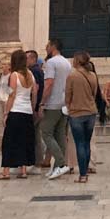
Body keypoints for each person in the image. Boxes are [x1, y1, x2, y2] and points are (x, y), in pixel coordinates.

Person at [0, 49, 37, 179]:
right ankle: (23, 169)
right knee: (23, 140)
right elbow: (34, 92)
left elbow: (11, 94)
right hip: (27, 111)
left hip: (15, 110)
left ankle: (6, 171)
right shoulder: (30, 74)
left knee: (9, 141)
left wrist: (6, 112)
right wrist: (32, 106)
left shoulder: (14, 75)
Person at [38, 37, 72, 181]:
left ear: (53, 46)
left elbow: (49, 83)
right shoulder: (67, 63)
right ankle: (58, 166)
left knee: (45, 132)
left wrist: (42, 103)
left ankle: (62, 163)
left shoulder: (51, 63)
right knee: (59, 135)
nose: (46, 47)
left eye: (48, 45)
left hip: (52, 103)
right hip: (64, 103)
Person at [65, 51, 99, 183]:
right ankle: (86, 171)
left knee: (79, 143)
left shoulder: (72, 76)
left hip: (76, 112)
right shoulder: (93, 76)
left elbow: (68, 95)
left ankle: (82, 175)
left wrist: (68, 106)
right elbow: (94, 93)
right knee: (86, 143)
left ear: (77, 61)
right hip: (90, 111)